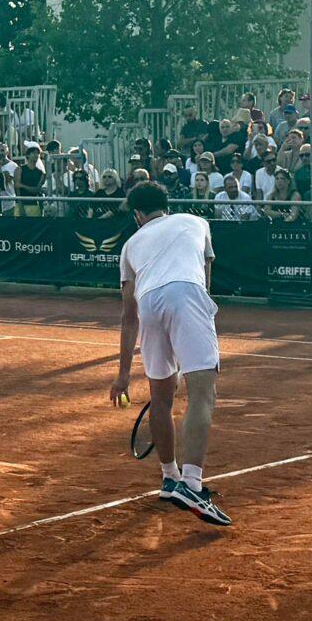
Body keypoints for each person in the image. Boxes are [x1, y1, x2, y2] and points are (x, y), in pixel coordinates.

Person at [108, 180, 230, 528]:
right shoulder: (196, 222)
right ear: (167, 205)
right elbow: (203, 284)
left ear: (137, 215)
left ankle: (169, 478)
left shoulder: (130, 246)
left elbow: (128, 317)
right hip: (186, 295)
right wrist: (187, 347)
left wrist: (122, 375)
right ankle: (191, 484)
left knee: (160, 399)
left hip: (149, 305)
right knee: (202, 392)